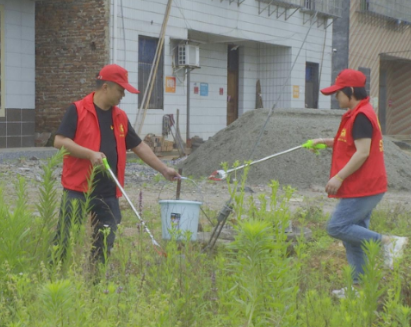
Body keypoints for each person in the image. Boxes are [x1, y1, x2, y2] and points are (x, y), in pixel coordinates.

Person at [52, 64, 180, 264]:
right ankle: (55, 274)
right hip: (78, 190)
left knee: (105, 240)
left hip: (108, 191)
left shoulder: (120, 117)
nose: (123, 95)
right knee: (65, 238)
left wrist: (164, 169)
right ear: (106, 87)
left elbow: (138, 146)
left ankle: (96, 280)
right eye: (121, 90)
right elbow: (60, 141)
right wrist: (90, 154)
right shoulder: (77, 110)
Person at [312, 69, 408, 296]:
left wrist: (339, 177)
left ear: (351, 91)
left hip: (364, 186)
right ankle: (358, 287)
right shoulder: (356, 113)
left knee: (337, 227)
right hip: (364, 185)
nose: (336, 98)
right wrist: (324, 142)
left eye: (338, 93)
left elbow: (362, 152)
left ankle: (388, 242)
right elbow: (351, 143)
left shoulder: (362, 115)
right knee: (353, 238)